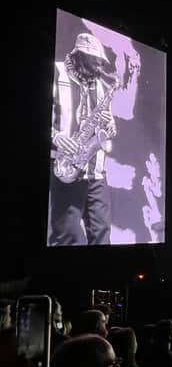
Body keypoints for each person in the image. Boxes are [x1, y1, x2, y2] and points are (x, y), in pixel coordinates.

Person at [49, 32, 118, 246]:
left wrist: (109, 124)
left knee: (102, 236)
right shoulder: (56, 72)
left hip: (95, 171)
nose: (99, 68)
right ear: (79, 57)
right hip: (67, 167)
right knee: (67, 236)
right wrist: (56, 136)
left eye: (100, 62)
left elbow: (110, 130)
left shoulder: (100, 85)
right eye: (95, 62)